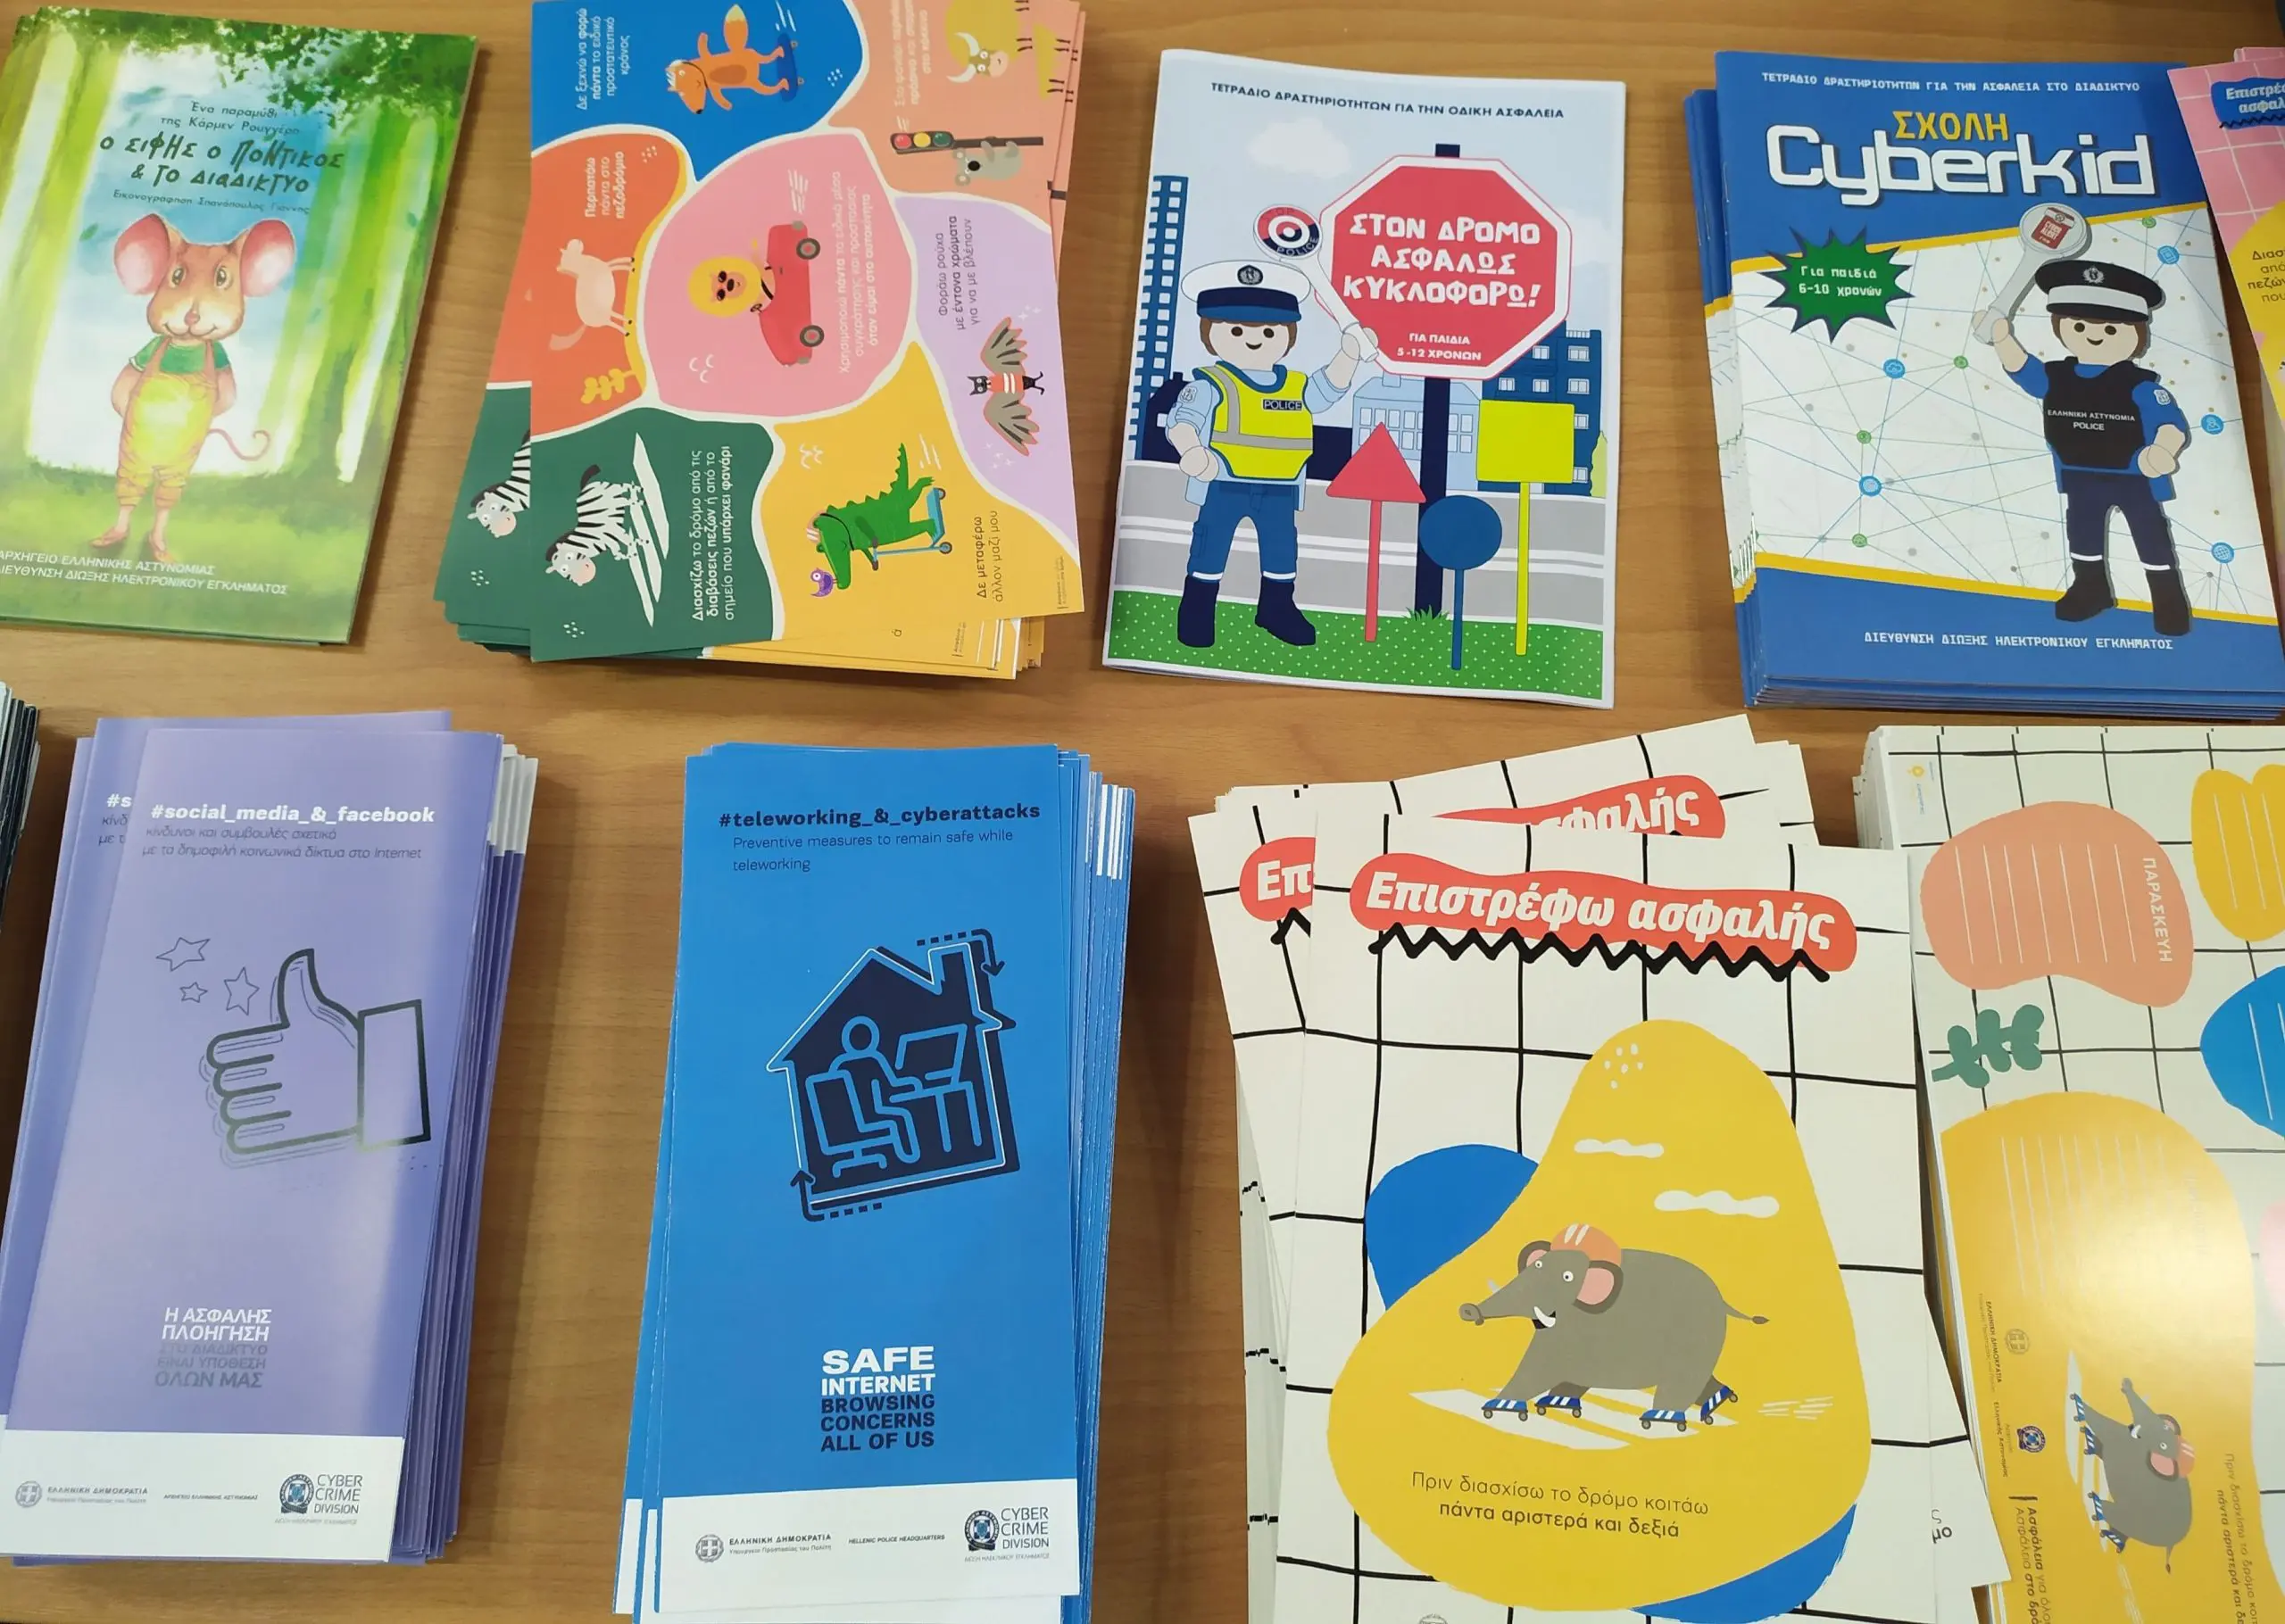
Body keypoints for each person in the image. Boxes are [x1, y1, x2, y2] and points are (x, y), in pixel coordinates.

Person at [1164, 261, 1376, 648]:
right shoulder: (1212, 383)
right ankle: (1197, 612)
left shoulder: (1295, 384)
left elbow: (1327, 391)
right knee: (1211, 548)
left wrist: (1348, 355)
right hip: (1224, 485)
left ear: (1288, 336)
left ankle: (1276, 608)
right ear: (1210, 334)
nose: (1254, 339)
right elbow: (1182, 421)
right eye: (1236, 330)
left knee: (1281, 551)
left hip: (1280, 489)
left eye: (1268, 331)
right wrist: (1192, 450)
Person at [1984, 259, 2193, 635]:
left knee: (2149, 535)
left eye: (2111, 328)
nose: (2094, 335)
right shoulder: (2057, 377)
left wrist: (2162, 451)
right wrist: (2002, 339)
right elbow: (2024, 370)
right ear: (2061, 326)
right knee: (2082, 532)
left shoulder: (2141, 386)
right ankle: (2091, 589)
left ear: (2136, 332)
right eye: (2079, 325)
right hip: (2080, 475)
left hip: (2133, 478)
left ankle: (2168, 602)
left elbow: (2171, 423)